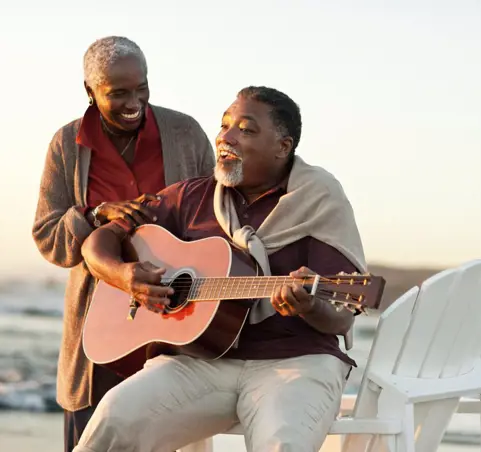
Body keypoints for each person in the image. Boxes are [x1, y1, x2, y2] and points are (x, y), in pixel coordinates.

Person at [76, 86, 367, 452]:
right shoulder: (189, 197)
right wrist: (125, 277)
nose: (225, 137)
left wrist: (309, 305)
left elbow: (340, 319)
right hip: (199, 362)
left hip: (296, 362)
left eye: (245, 129)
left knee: (283, 445)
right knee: (113, 420)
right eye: (225, 125)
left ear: (283, 146)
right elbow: (97, 244)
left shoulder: (319, 201)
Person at [31, 36, 216, 452]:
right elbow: (48, 238)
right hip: (98, 340)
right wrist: (96, 215)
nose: (135, 102)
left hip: (176, 330)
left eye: (142, 88)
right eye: (118, 93)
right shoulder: (66, 145)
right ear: (90, 92)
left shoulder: (185, 133)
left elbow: (219, 220)